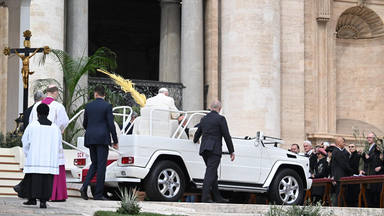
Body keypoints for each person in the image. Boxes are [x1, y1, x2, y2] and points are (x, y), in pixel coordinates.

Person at [29, 85, 69, 201]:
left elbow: (32, 123)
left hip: (39, 142)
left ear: (47, 92)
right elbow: (64, 122)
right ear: (55, 93)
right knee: (55, 164)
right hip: (53, 141)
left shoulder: (37, 105)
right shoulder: (58, 106)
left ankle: (38, 194)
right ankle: (56, 195)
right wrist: (60, 130)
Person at [19, 103, 62, 208]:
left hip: (35, 159)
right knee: (46, 182)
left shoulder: (32, 126)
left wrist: (28, 153)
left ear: (37, 113)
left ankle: (32, 199)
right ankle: (43, 202)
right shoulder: (55, 128)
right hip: (49, 160)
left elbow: (25, 141)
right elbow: (59, 145)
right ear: (48, 113)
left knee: (34, 180)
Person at [80, 85, 118, 200]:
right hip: (102, 138)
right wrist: (115, 140)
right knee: (101, 166)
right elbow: (111, 124)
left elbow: (85, 123)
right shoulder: (107, 106)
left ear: (95, 94)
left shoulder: (89, 106)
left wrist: (91, 130)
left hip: (91, 138)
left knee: (94, 164)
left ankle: (84, 186)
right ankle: (98, 194)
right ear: (104, 95)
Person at [193, 100, 235, 203]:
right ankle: (205, 197)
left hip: (204, 150)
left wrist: (195, 140)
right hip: (214, 150)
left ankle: (217, 197)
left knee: (213, 173)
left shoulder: (204, 119)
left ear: (210, 107)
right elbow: (226, 136)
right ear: (219, 109)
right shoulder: (220, 119)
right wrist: (231, 151)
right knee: (210, 173)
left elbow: (198, 132)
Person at [359, 133, 382, 207]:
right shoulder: (367, 148)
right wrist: (363, 155)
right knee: (368, 194)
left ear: (374, 139)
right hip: (368, 173)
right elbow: (366, 161)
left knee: (375, 195)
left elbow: (377, 160)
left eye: (370, 137)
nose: (368, 139)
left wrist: (381, 167)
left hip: (375, 173)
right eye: (367, 137)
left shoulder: (377, 147)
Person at [330, 137, 352, 206]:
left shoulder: (337, 151)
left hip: (339, 176)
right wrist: (352, 172)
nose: (344, 143)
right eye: (343, 142)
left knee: (341, 194)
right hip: (340, 177)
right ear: (339, 143)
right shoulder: (337, 152)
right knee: (340, 195)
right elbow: (344, 165)